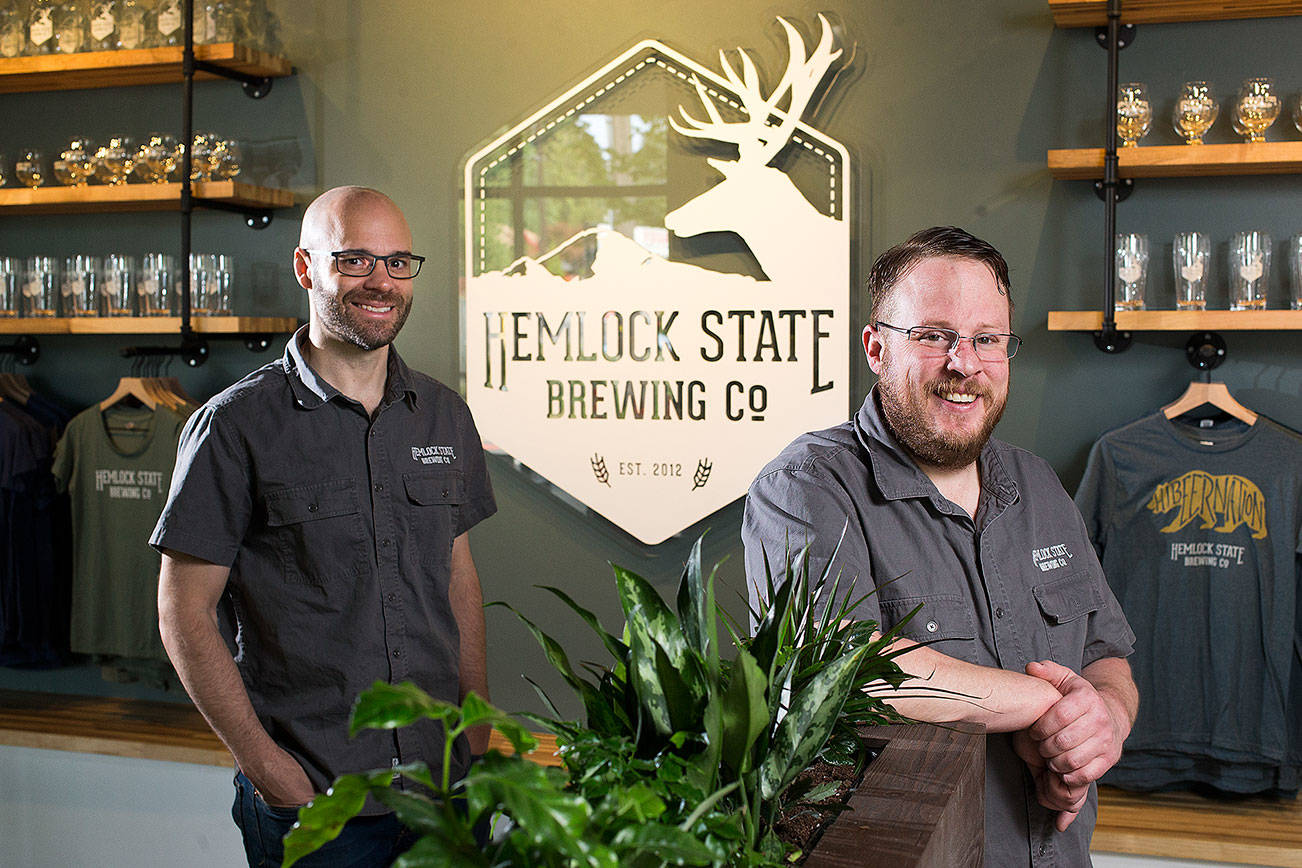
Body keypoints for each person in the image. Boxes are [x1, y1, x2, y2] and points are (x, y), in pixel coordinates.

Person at [742, 226, 1138, 867]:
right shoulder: (805, 486)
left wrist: (1103, 724)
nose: (965, 362)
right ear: (875, 348)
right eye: (932, 336)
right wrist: (1045, 706)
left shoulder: (1038, 485)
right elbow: (844, 672)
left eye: (988, 340)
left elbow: (1106, 654)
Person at [153, 186, 496, 867]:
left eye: (398, 262)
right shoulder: (233, 426)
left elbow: (457, 575)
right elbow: (183, 613)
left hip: (443, 787)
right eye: (357, 259)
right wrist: (264, 765)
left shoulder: (444, 415)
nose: (382, 282)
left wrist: (477, 728)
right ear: (306, 269)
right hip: (316, 797)